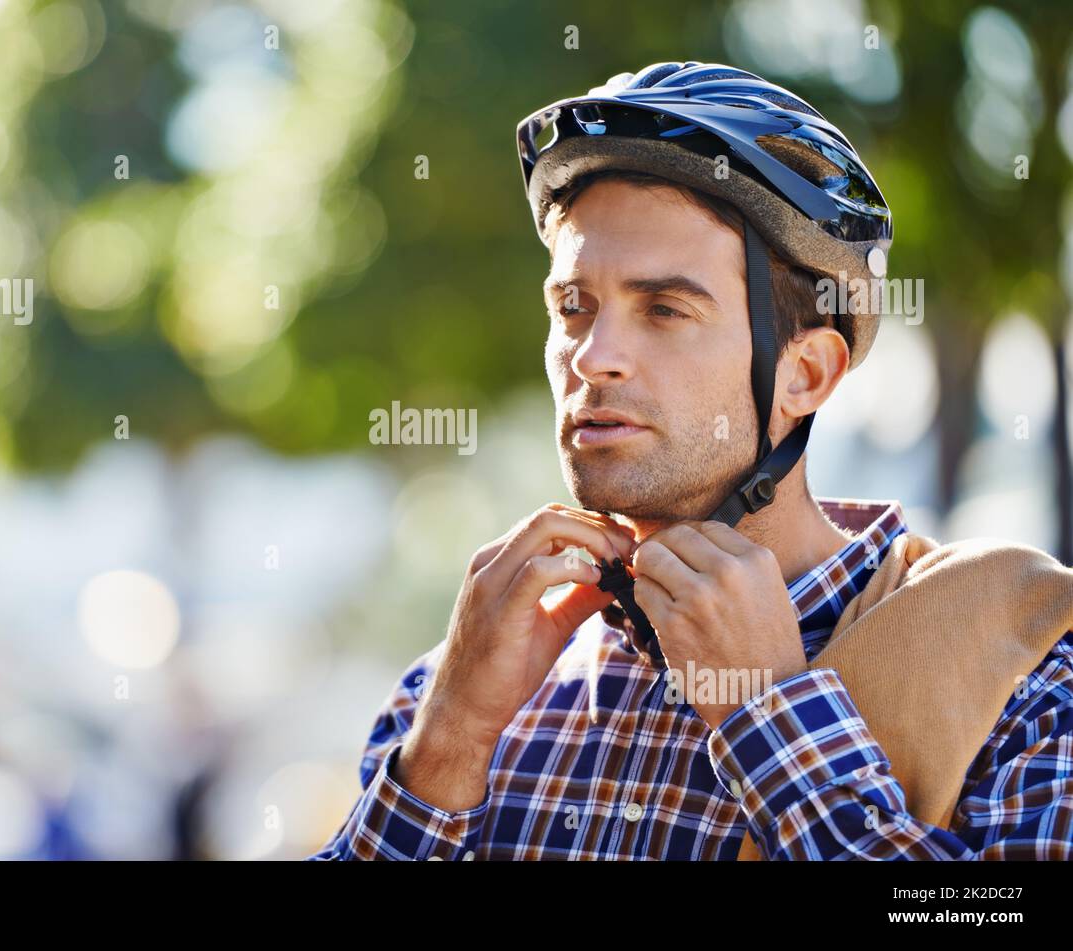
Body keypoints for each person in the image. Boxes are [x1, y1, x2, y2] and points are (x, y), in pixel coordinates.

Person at [310, 62, 1073, 860]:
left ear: (803, 374)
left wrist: (770, 715)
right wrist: (449, 743)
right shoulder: (458, 690)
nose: (593, 357)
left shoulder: (1022, 678)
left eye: (665, 309)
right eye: (573, 307)